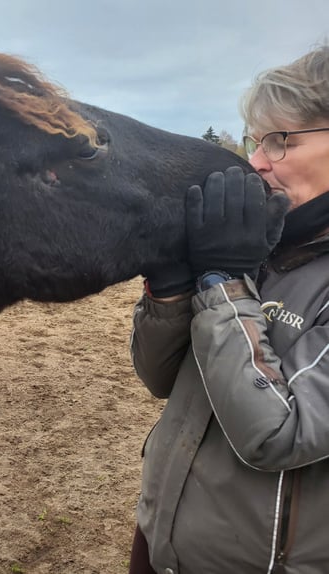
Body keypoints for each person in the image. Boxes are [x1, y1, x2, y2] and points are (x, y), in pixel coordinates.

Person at [129, 44, 329, 574]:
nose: (257, 161)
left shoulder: (241, 258)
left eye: (280, 141)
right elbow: (159, 378)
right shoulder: (257, 243)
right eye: (256, 141)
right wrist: (173, 282)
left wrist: (220, 281)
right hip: (159, 541)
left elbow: (279, 435)